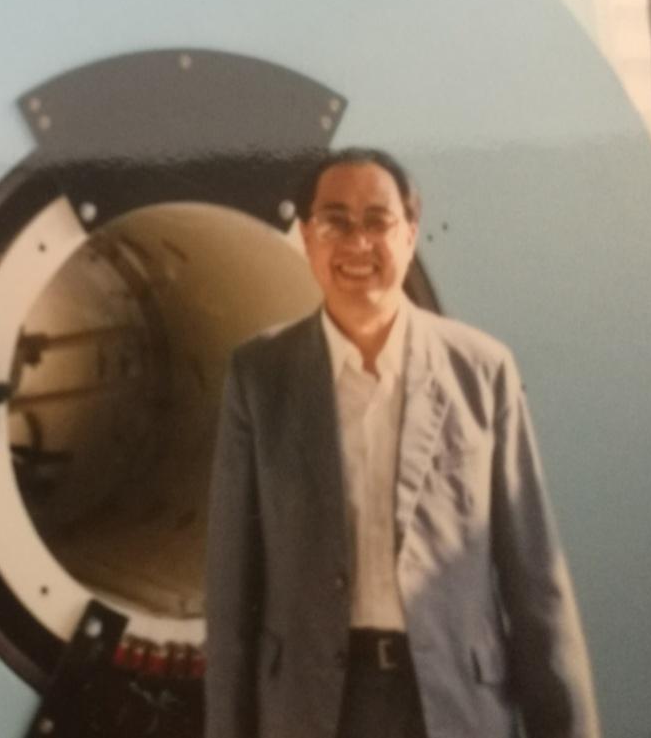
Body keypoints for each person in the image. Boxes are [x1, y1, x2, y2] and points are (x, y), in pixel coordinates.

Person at [204, 147, 600, 738]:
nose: (357, 244)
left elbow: (535, 583)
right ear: (308, 238)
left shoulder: (482, 371)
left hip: (452, 702)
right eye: (335, 222)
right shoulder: (260, 377)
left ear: (410, 234)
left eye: (377, 221)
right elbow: (233, 592)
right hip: (311, 706)